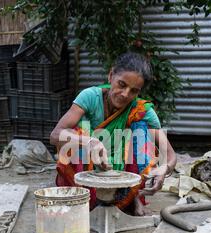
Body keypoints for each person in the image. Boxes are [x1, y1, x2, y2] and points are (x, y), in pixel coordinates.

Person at [50, 52, 177, 216]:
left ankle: (134, 196)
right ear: (111, 76)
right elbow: (55, 135)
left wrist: (163, 171)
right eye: (121, 84)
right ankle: (82, 197)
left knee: (141, 129)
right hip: (87, 163)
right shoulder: (90, 97)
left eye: (133, 91)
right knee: (75, 132)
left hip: (122, 167)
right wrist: (89, 142)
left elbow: (171, 156)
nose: (125, 94)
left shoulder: (140, 110)